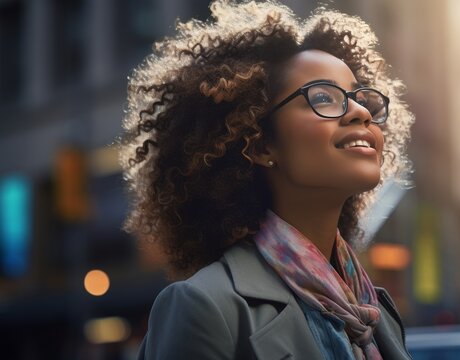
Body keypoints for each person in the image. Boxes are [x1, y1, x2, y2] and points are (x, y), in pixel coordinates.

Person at [120, 1, 414, 359]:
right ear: (260, 145)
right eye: (324, 97)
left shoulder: (375, 313)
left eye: (359, 96)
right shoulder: (205, 307)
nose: (362, 112)